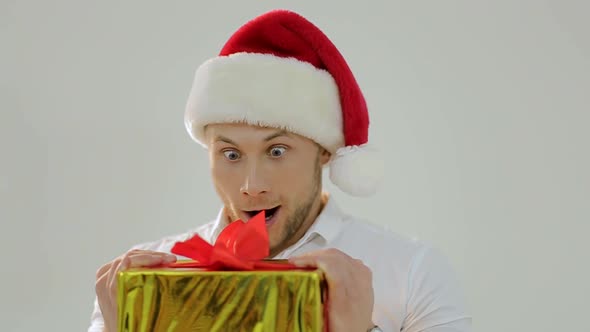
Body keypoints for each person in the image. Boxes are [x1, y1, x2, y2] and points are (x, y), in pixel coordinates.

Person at [89, 9, 471, 332]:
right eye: (231, 154)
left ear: (324, 151)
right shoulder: (144, 277)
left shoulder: (411, 274)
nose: (251, 187)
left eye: (276, 150)